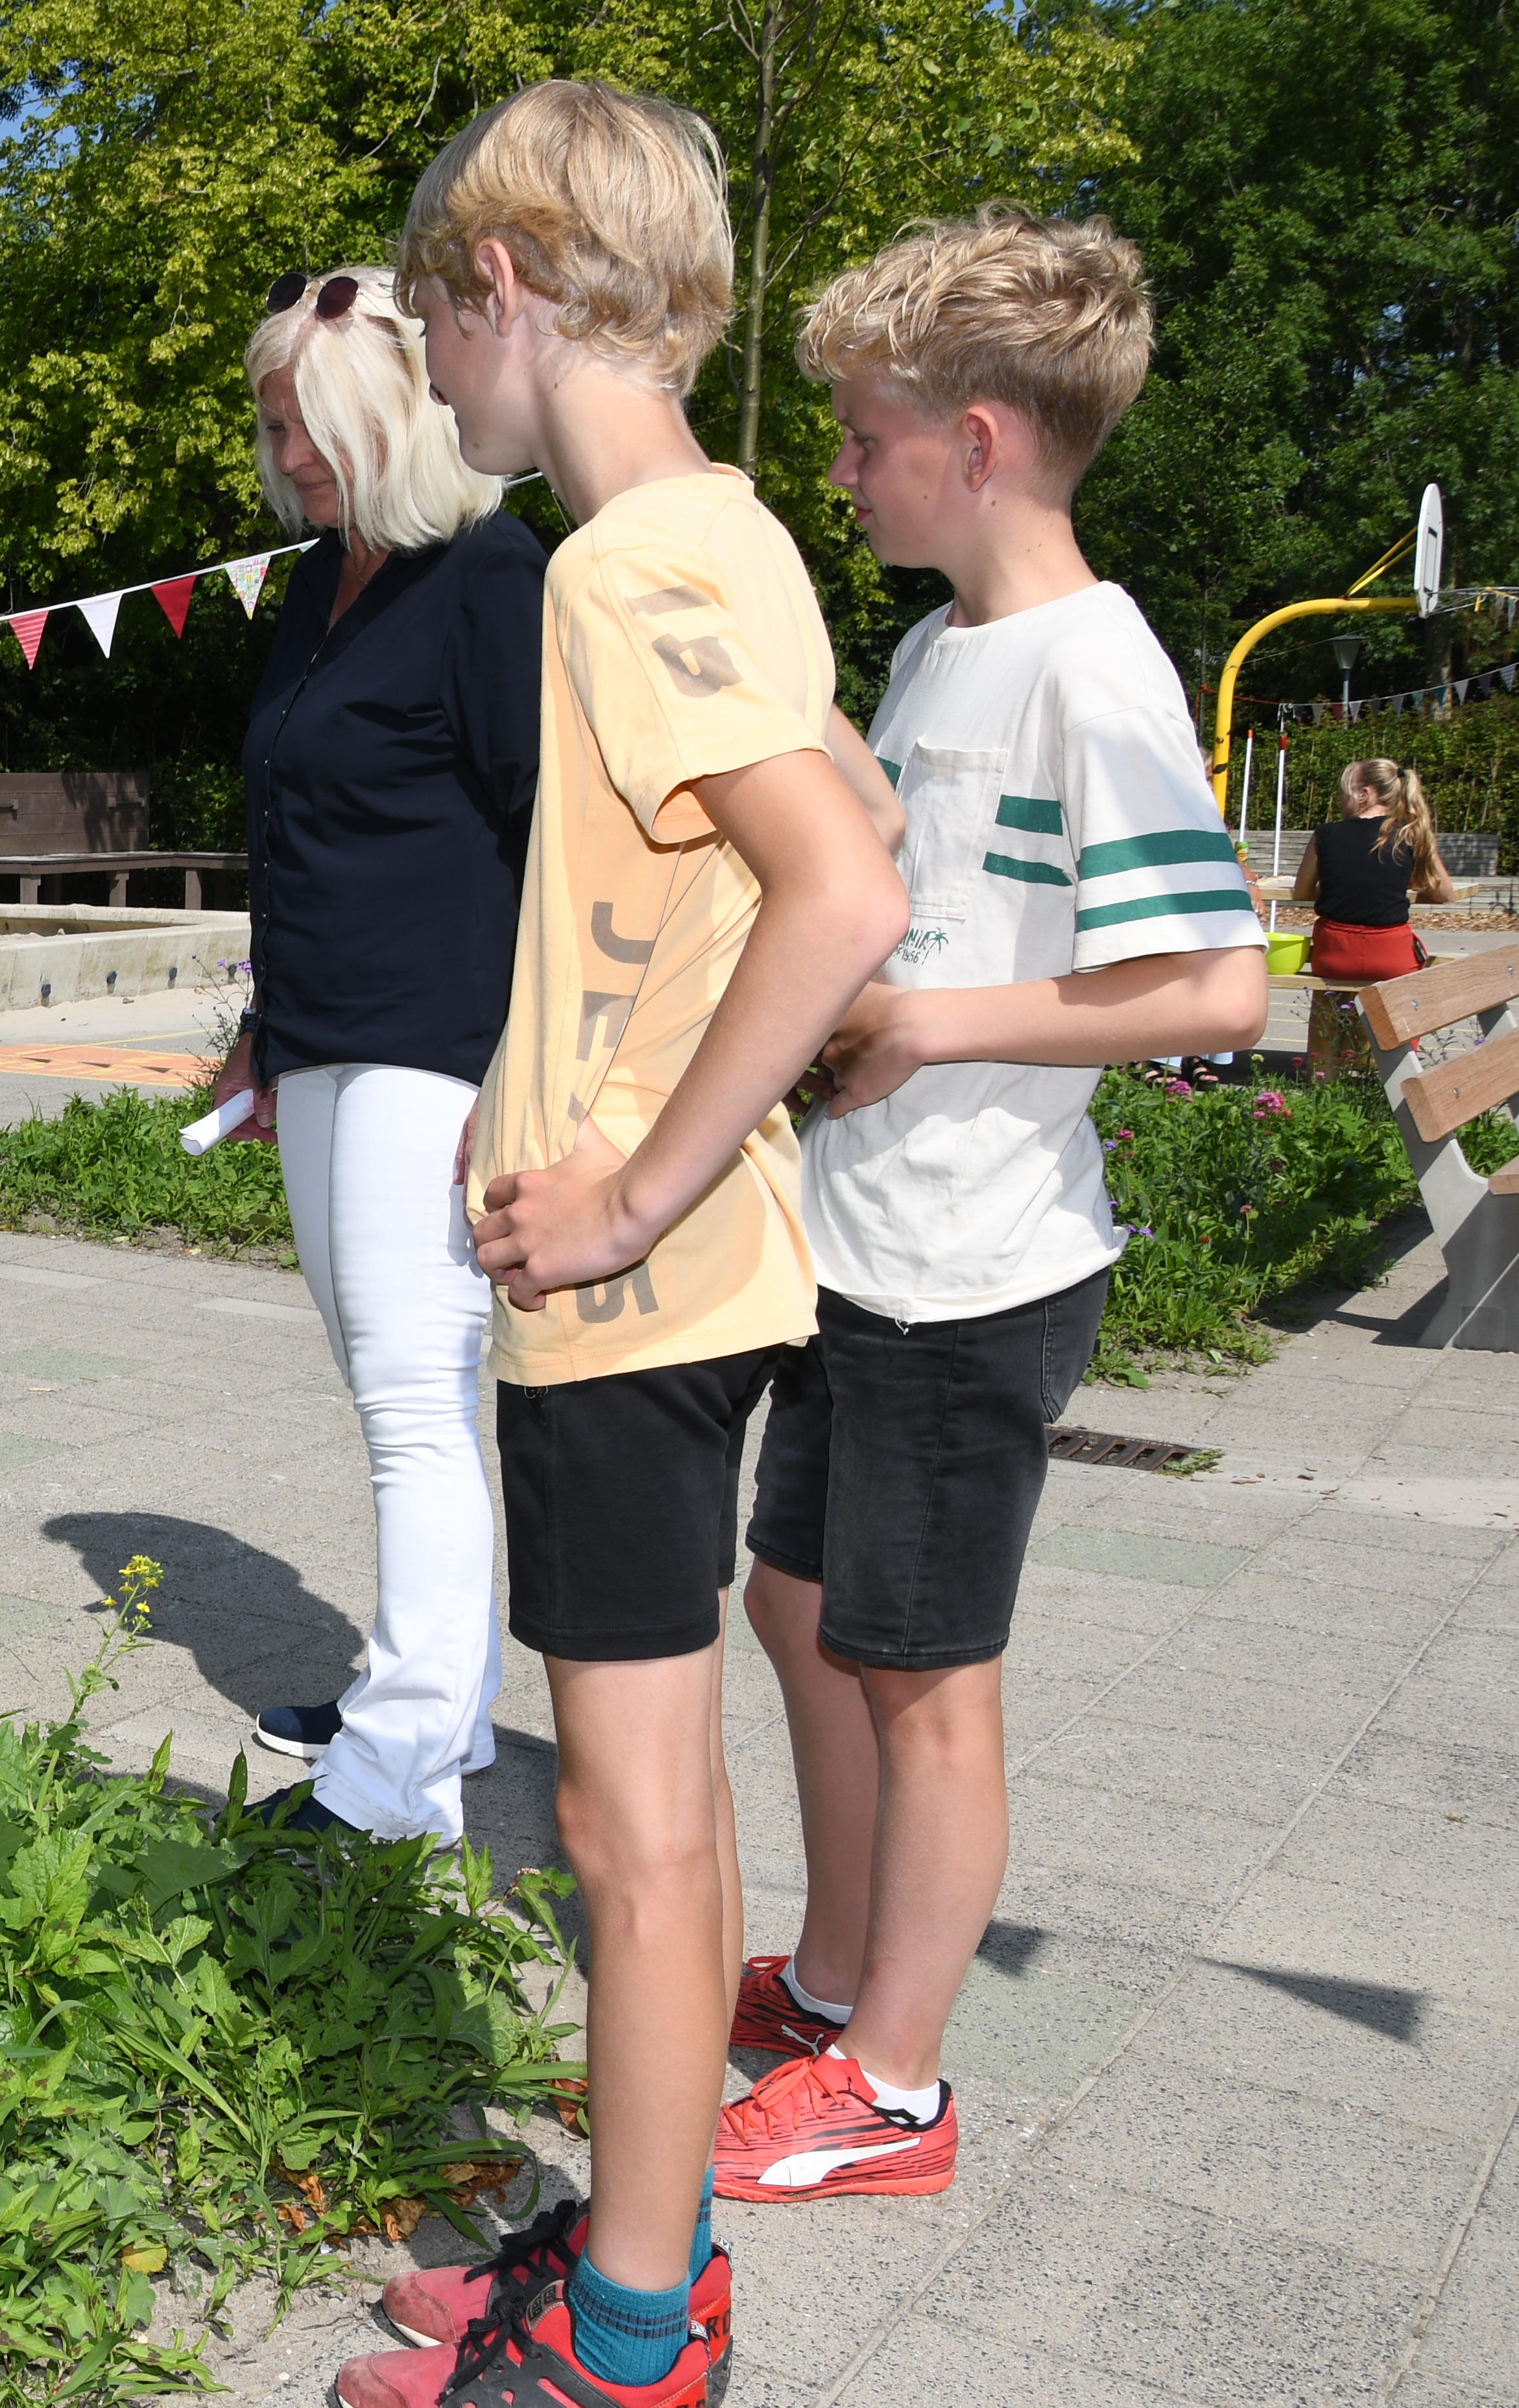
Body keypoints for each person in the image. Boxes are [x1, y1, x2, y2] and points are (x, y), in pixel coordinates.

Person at [335, 82, 909, 2408]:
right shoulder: (733, 529)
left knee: (630, 1829)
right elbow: (853, 809)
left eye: (432, 324)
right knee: (631, 1814)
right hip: (688, 1283)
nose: (438, 390)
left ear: (500, 283)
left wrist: (629, 1175)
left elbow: (843, 885)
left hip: (633, 1296)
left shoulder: (618, 563)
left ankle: (640, 2337)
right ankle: (642, 2238)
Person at [717, 210, 1267, 2211]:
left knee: (925, 1677)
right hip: (861, 1239)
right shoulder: (939, 642)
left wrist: (923, 1020)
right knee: (796, 1609)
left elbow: (1215, 989)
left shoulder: (1089, 669)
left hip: (972, 1264)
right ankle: (844, 1968)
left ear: (975, 438)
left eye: (859, 439)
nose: (840, 472)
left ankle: (894, 2086)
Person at [203, 262, 539, 1844]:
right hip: (329, 1038)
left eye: (306, 421)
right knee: (387, 1391)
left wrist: (526, 1072)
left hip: (441, 1048)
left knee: (416, 1397)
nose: (286, 453)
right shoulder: (313, 583)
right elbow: (298, 824)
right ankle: (431, 1688)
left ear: (387, 409)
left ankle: (402, 1772)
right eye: (274, 426)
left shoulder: (488, 575)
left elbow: (555, 838)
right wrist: (263, 1036)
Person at [1295, 756, 1451, 981]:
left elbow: (1302, 892)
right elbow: (1443, 893)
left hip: (1334, 956)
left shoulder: (1325, 834)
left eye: (1345, 792)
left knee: (1332, 996)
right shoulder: (1411, 834)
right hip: (1393, 958)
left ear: (1364, 795)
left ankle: (1331, 1018)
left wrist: (1337, 891)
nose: (1340, 798)